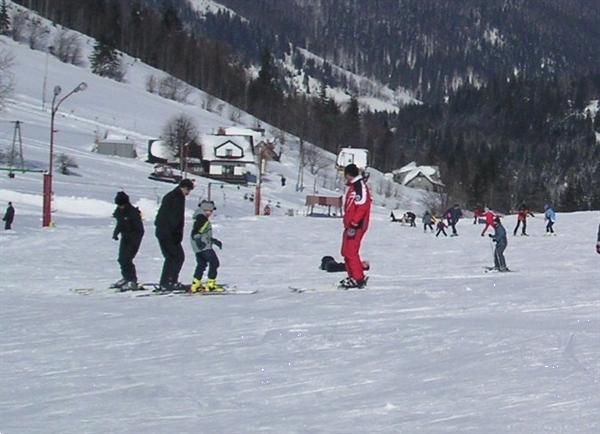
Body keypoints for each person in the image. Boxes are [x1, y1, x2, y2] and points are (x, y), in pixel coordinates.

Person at [155, 179, 194, 290]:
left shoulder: (171, 195)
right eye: (188, 190)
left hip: (163, 231)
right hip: (169, 233)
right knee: (177, 257)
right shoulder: (177, 197)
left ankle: (165, 282)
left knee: (171, 257)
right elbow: (175, 217)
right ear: (184, 187)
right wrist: (176, 233)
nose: (188, 193)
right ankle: (170, 282)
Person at [339, 164, 371, 289]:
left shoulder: (359, 187)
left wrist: (354, 223)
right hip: (349, 225)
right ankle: (352, 275)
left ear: (348, 174)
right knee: (345, 252)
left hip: (356, 226)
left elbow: (362, 207)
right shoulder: (353, 186)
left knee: (351, 252)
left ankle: (358, 278)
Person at [111, 192, 144, 290]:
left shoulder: (132, 212)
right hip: (125, 238)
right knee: (121, 259)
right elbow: (120, 224)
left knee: (127, 259)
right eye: (118, 205)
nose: (120, 207)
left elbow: (140, 229)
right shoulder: (120, 211)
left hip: (134, 238)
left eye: (122, 205)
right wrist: (116, 233)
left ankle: (132, 280)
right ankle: (126, 277)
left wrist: (134, 238)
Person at [190, 200, 223, 293]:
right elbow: (196, 232)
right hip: (203, 246)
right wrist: (199, 240)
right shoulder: (202, 219)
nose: (211, 213)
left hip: (198, 247)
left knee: (201, 264)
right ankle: (211, 284)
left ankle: (195, 284)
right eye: (210, 211)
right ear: (205, 210)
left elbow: (203, 233)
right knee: (214, 263)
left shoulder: (199, 217)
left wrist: (213, 240)